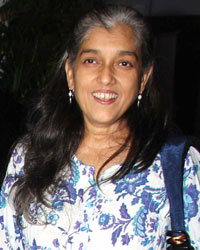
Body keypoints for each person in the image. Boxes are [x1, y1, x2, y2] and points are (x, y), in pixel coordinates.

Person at [0, 4, 200, 250]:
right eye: (91, 60)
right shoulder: (29, 156)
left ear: (143, 78)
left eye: (124, 63)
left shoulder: (178, 166)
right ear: (71, 74)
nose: (106, 76)